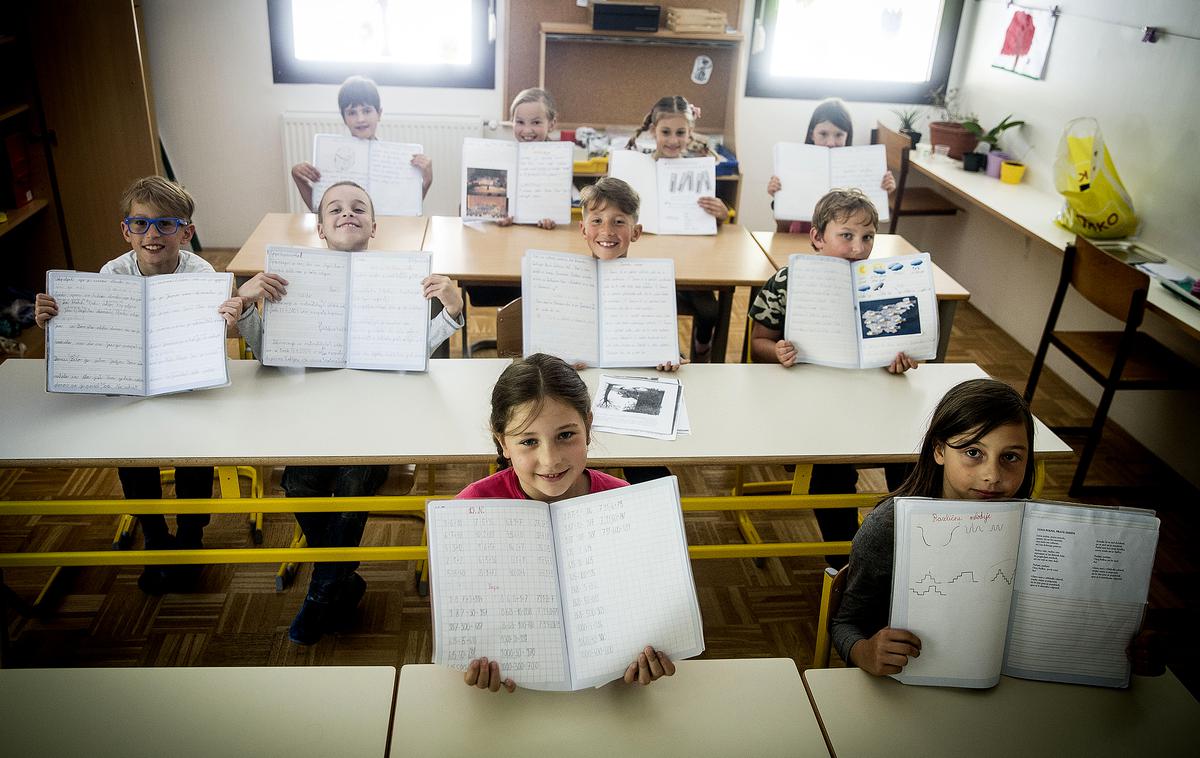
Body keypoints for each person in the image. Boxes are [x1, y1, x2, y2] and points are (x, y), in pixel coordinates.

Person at [236, 180, 465, 645]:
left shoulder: (401, 278)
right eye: (335, 209)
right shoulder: (291, 278)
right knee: (299, 482)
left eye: (359, 207)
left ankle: (322, 592)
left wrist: (452, 312)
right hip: (313, 414)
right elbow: (268, 352)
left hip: (378, 416)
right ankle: (339, 578)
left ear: (374, 226)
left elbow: (413, 351)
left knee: (355, 476)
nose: (347, 213)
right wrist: (246, 304)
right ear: (320, 228)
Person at [34, 176, 244, 595]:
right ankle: (154, 536)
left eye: (166, 224)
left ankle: (189, 537)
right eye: (141, 224)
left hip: (185, 383)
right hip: (128, 384)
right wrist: (55, 323)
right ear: (126, 231)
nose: (153, 234)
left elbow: (205, 336)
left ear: (186, 232)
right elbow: (97, 334)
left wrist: (229, 318)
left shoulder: (201, 271)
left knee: (193, 455)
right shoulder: (112, 273)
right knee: (132, 456)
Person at [456, 353, 677, 692]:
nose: (550, 459)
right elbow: (462, 618)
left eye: (566, 435)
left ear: (588, 427)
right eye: (529, 441)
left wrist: (651, 651)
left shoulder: (626, 504)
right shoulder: (472, 510)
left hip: (610, 687)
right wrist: (472, 661)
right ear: (503, 442)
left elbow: (647, 606)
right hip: (513, 691)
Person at [748, 188, 918, 566]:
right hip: (809, 402)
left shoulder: (883, 281)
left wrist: (900, 358)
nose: (858, 248)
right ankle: (846, 560)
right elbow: (759, 342)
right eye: (847, 236)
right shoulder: (788, 281)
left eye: (868, 237)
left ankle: (903, 545)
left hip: (869, 397)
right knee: (832, 471)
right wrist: (777, 352)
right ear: (817, 238)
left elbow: (897, 346)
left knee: (909, 454)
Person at [831, 378, 1035, 675]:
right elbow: (844, 624)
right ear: (939, 450)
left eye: (1010, 457)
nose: (992, 475)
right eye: (973, 453)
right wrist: (865, 652)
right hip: (908, 682)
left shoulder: (1040, 531)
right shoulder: (890, 527)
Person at [624, 95, 726, 362]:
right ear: (652, 131)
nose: (673, 140)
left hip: (690, 261)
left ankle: (701, 348)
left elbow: (712, 222)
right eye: (665, 132)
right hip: (646, 259)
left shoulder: (699, 170)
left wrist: (721, 213)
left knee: (709, 311)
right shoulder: (638, 168)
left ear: (690, 133)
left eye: (680, 132)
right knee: (651, 306)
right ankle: (661, 352)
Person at [289, 75, 434, 213]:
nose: (360, 119)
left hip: (385, 229)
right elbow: (318, 209)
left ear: (379, 113)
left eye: (367, 110)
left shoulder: (396, 160)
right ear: (344, 118)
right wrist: (298, 178)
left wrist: (426, 182)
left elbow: (407, 208)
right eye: (352, 113)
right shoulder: (332, 156)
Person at [767, 97, 896, 234]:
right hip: (802, 236)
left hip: (842, 242)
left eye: (839, 135)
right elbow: (782, 227)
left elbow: (867, 223)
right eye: (823, 134)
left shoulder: (857, 168)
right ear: (812, 134)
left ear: (847, 136)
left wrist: (883, 193)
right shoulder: (794, 166)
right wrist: (779, 198)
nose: (830, 142)